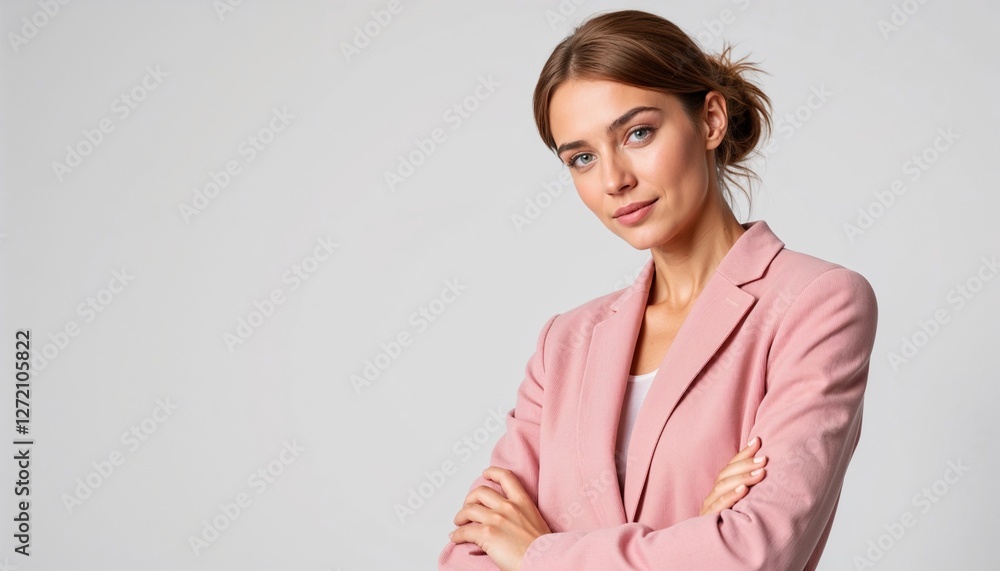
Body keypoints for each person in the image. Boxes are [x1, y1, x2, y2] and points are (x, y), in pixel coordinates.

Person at [439, 9, 878, 571]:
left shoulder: (817, 302)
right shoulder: (564, 343)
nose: (614, 179)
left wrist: (533, 553)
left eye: (638, 133)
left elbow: (753, 553)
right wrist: (695, 535)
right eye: (582, 158)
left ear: (711, 120)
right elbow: (469, 552)